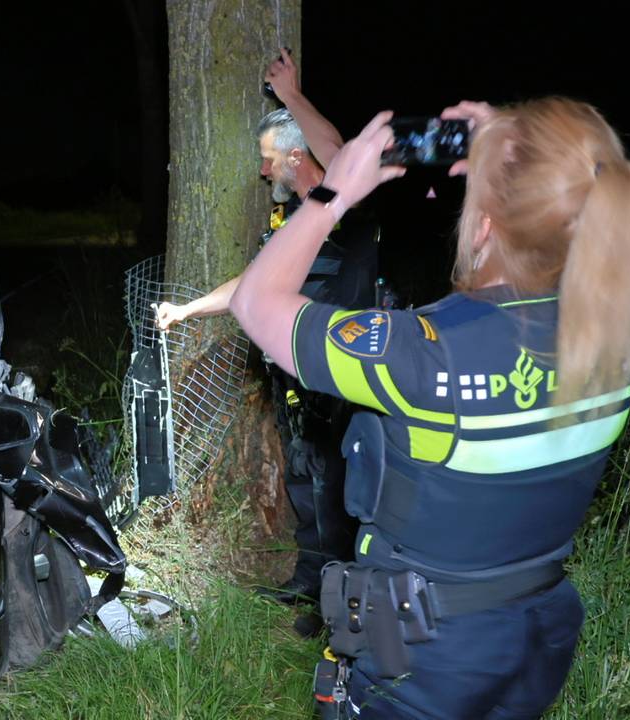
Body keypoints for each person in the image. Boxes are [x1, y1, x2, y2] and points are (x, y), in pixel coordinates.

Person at [229, 98, 630, 718]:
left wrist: (332, 194)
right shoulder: (611, 343)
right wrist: (515, 157)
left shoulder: (424, 355)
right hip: (536, 640)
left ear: (484, 225)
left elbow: (256, 304)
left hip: (424, 663)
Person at [156, 49, 377, 611]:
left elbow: (342, 154)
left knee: (338, 487)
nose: (261, 171)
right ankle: (309, 582)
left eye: (267, 159)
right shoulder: (293, 223)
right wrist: (188, 310)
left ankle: (337, 601)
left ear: (296, 156)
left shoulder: (337, 208)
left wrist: (292, 96)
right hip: (297, 381)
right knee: (304, 478)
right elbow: (251, 284)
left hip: (341, 379)